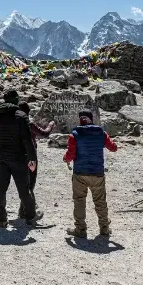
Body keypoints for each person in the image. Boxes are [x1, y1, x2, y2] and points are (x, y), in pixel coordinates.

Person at [63, 110, 118, 239]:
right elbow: (113, 148)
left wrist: (65, 158)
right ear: (91, 119)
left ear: (80, 120)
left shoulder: (74, 135)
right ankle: (104, 228)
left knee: (79, 201)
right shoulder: (101, 133)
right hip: (97, 173)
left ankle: (80, 229)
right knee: (100, 201)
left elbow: (70, 155)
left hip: (80, 173)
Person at [0, 89, 37, 228]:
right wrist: (32, 158)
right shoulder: (21, 116)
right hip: (19, 157)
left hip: (2, 157)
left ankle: (1, 219)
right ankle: (30, 216)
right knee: (24, 189)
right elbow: (27, 140)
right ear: (15, 99)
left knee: (1, 188)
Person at [17, 102, 56, 222]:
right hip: (30, 156)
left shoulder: (14, 124)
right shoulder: (29, 124)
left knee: (23, 183)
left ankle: (22, 210)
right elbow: (44, 133)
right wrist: (50, 125)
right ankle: (29, 211)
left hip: (17, 156)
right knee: (31, 183)